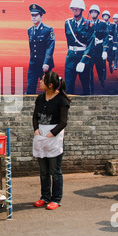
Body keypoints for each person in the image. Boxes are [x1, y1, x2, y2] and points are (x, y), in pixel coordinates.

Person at [32, 71, 71, 210]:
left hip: (53, 138)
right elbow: (35, 116)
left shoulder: (62, 100)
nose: (39, 82)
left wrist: (51, 134)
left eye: (42, 80)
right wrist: (36, 129)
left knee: (55, 170)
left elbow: (63, 122)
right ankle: (45, 196)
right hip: (40, 136)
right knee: (43, 171)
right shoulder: (41, 98)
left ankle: (56, 199)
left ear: (50, 85)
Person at [64, 0, 94, 95]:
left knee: (86, 87)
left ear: (82, 10)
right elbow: (69, 42)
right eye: (73, 8)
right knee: (68, 87)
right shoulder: (68, 23)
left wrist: (83, 61)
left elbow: (90, 44)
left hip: (83, 57)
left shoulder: (89, 25)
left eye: (77, 8)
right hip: (71, 57)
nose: (74, 10)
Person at [25, 4, 55, 94]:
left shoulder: (47, 30)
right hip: (33, 64)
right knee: (30, 88)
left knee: (48, 89)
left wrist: (46, 63)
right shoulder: (30, 30)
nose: (33, 17)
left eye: (36, 15)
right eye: (32, 15)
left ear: (41, 16)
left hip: (44, 65)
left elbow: (50, 47)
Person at [88, 5, 109, 92]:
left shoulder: (102, 24)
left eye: (95, 12)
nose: (93, 13)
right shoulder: (87, 23)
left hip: (99, 49)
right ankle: (91, 86)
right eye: (92, 12)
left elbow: (106, 37)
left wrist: (104, 50)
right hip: (90, 50)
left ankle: (102, 81)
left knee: (100, 68)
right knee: (89, 69)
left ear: (98, 13)